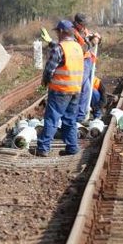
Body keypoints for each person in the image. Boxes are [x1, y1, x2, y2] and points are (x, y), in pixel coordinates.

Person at [36, 20, 84, 157]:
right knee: (70, 120)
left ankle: (43, 148)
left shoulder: (59, 48)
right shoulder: (77, 47)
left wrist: (45, 81)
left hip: (60, 90)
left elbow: (50, 68)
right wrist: (50, 42)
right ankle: (72, 148)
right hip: (75, 90)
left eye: (57, 31)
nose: (57, 34)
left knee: (52, 119)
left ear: (62, 32)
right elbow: (63, 53)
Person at [72, 12, 101, 122]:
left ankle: (84, 113)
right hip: (80, 62)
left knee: (88, 89)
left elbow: (89, 39)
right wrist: (92, 42)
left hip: (88, 61)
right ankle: (79, 115)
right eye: (82, 24)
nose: (85, 26)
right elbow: (80, 49)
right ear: (77, 23)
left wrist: (97, 38)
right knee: (84, 88)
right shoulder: (72, 33)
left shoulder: (84, 30)